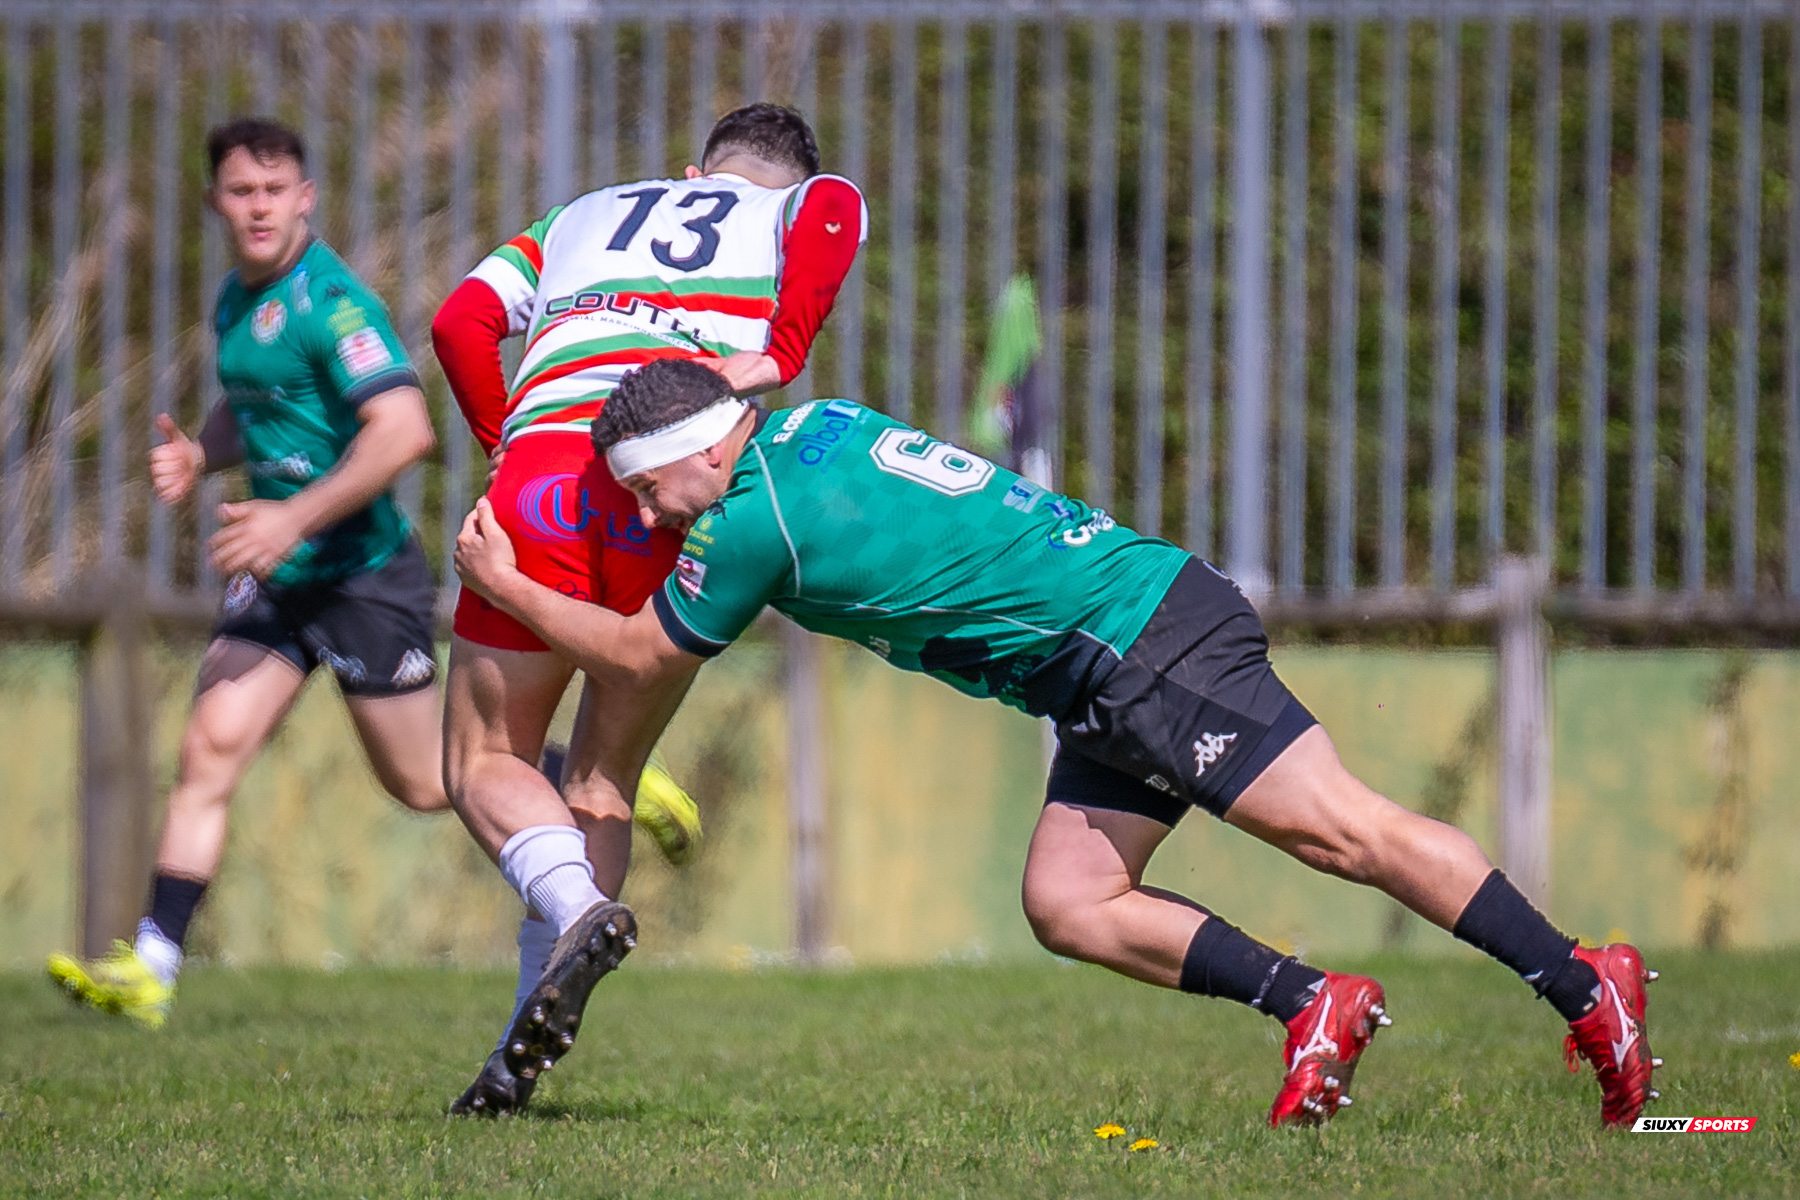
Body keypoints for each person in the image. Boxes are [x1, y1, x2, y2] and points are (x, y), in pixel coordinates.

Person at [452, 357, 1663, 1129]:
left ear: (700, 455)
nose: (646, 515)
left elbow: (633, 657)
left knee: (1345, 831)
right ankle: (1311, 1004)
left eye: (647, 489)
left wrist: (505, 582)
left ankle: (1582, 983)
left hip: (1140, 643)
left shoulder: (747, 520)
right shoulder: (807, 424)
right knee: (1070, 899)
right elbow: (734, 382)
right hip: (1106, 651)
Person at [431, 103, 867, 1114]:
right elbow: (840, 207)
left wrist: (503, 441)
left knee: (486, 759)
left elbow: (461, 321)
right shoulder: (796, 209)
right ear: (783, 179)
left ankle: (580, 909)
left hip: (549, 475)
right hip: (682, 485)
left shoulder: (583, 214)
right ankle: (517, 1053)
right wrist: (778, 353)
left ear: (689, 174)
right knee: (602, 781)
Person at [47, 118, 445, 1028]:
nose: (258, 207)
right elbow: (261, 398)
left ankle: (571, 767)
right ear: (214, 202)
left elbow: (405, 430)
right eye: (240, 191)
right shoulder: (237, 298)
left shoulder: (334, 304)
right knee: (209, 748)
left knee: (425, 783)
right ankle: (152, 968)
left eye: (275, 190)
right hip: (276, 576)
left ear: (306, 197)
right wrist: (200, 452)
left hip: (361, 575)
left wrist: (293, 519)